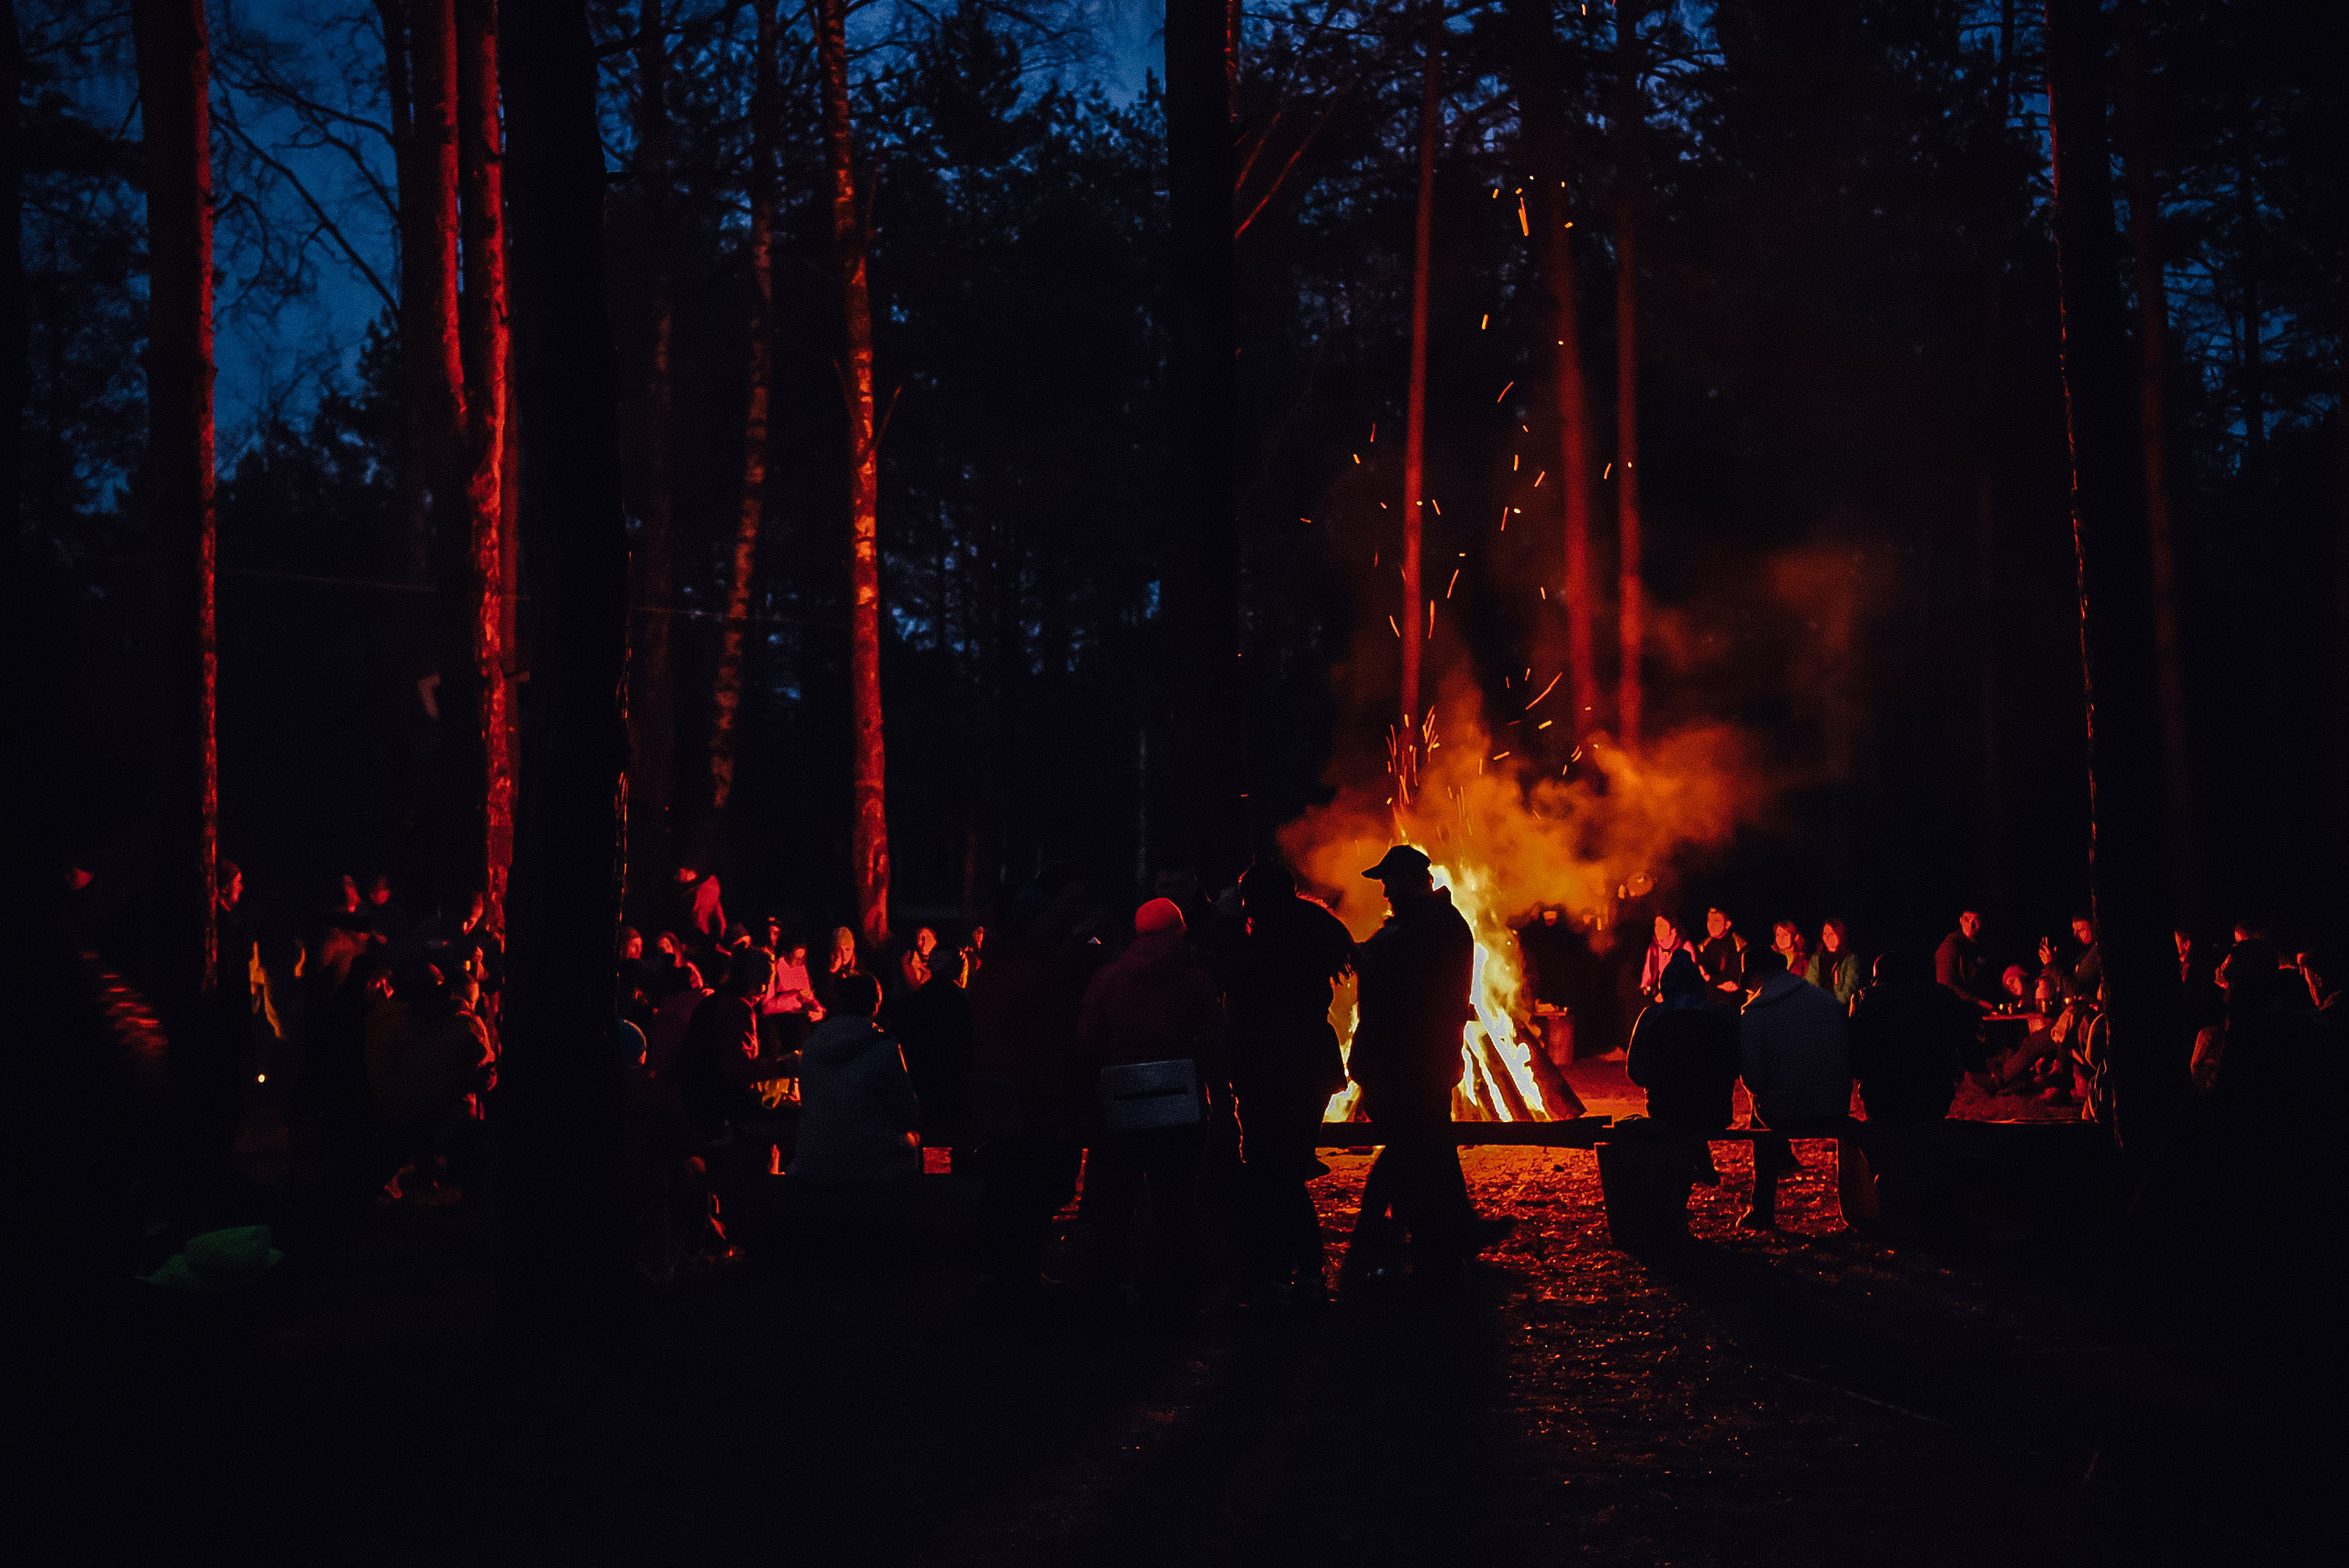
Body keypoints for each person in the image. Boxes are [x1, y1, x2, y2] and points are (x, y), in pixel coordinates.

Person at [1346, 845, 1501, 1283]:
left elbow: (1391, 968)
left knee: (1408, 1147)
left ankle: (1377, 1235)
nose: (1384, 894)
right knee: (1428, 1148)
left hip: (1413, 1064)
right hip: (1414, 1062)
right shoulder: (1426, 925)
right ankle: (1449, 1233)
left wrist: (1349, 950)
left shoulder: (1431, 927)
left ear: (1412, 881)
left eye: (1389, 883)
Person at [1074, 896, 1229, 1313]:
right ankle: (1175, 1292)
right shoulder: (1196, 982)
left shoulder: (1108, 980)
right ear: (1179, 932)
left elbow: (1086, 1045)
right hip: (1179, 1106)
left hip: (1120, 1103)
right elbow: (1214, 1049)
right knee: (1175, 1201)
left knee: (1114, 1203)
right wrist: (1223, 1109)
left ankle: (1105, 1290)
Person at [1228, 862, 1353, 1304]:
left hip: (1271, 1067)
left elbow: (1246, 1006)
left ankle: (1283, 1269)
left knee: (1271, 1170)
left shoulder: (1263, 944)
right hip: (1310, 1065)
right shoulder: (1314, 930)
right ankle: (1300, 1268)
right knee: (1284, 1169)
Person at [1737, 948, 1852, 1229]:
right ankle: (1854, 1204)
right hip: (1834, 1108)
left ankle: (1762, 1208)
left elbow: (1753, 1078)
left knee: (1758, 1114)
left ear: (1756, 977)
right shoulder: (1827, 1002)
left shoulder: (1755, 1013)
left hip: (1784, 1114)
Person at [792, 972, 923, 1184]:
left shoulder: (813, 1045)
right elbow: (905, 1112)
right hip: (869, 1166)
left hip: (814, 1161)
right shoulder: (883, 1047)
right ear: (876, 1003)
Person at [1846, 951, 1973, 1122]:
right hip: (1934, 1098)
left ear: (1877, 977)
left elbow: (1853, 1058)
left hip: (1881, 1100)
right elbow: (1966, 1042)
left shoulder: (1865, 999)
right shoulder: (1943, 996)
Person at [1626, 951, 1740, 1134]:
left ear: (1666, 985)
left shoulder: (1651, 1017)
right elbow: (1739, 1063)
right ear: (1699, 984)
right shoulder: (1722, 1014)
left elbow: (1636, 1073)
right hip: (1714, 1113)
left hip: (1665, 1113)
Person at [675, 947, 780, 1145]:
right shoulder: (738, 1009)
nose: (764, 991)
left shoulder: (713, 1001)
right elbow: (736, 1068)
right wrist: (783, 1066)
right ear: (752, 981)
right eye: (762, 983)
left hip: (693, 1100)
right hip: (717, 1109)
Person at [1935, 909, 1997, 1011]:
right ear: (1960, 920)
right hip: (1960, 1009)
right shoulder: (1951, 945)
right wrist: (1976, 1001)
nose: (1970, 925)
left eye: (1975, 921)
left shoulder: (1983, 943)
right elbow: (1946, 984)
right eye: (1967, 920)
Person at [1698, 906, 1750, 1005]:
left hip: (1731, 1002)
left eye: (1716, 921)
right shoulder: (1703, 946)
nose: (1711, 925)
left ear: (1727, 924)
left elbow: (1735, 981)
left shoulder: (1739, 945)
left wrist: (1710, 979)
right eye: (1709, 921)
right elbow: (1701, 975)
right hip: (1707, 1000)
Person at [1806, 917, 1861, 1007]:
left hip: (1839, 1008)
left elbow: (1849, 989)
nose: (1827, 937)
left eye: (1831, 934)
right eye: (1825, 934)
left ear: (1839, 934)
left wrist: (1831, 1004)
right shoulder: (1817, 959)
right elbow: (1811, 983)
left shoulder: (1850, 959)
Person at [1638, 913, 1692, 1002]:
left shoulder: (1685, 947)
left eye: (1662, 925)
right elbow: (1648, 973)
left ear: (1673, 929)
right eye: (1656, 925)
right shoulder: (1655, 947)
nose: (1657, 929)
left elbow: (1689, 979)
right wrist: (1646, 988)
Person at [2066, 916, 2102, 1001]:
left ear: (2094, 927)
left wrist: (2051, 966)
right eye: (2074, 930)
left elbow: (2077, 990)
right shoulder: (2084, 951)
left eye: (2080, 930)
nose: (2075, 934)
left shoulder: (2097, 952)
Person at [1769, 920, 1809, 987]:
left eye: (1785, 935)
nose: (1781, 939)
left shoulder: (1803, 960)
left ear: (1796, 937)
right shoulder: (1769, 957)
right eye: (1778, 935)